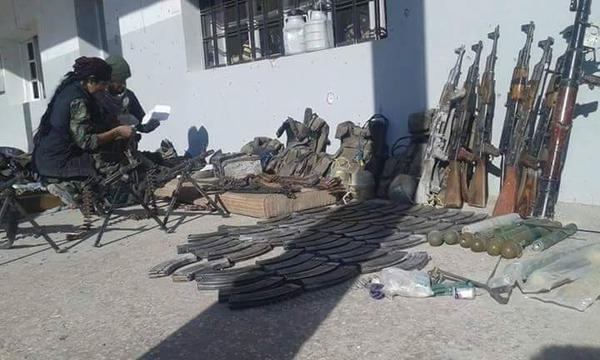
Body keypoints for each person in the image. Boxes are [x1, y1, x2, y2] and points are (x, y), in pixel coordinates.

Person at [33, 57, 136, 205]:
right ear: (91, 80)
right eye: (103, 84)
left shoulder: (73, 87)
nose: (103, 88)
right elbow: (86, 142)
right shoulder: (78, 100)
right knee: (110, 171)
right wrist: (117, 132)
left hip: (45, 159)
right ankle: (69, 186)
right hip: (57, 162)